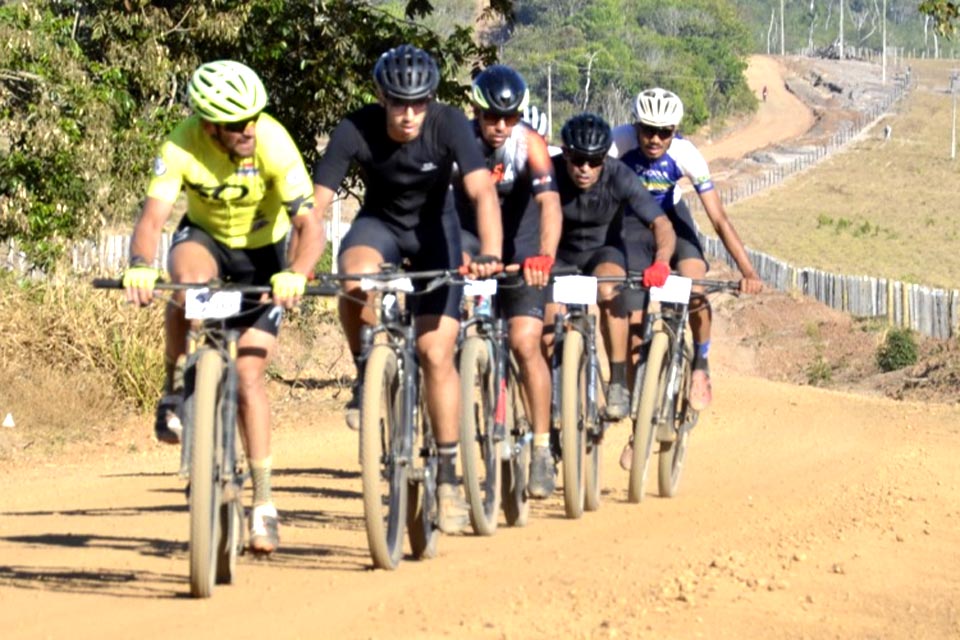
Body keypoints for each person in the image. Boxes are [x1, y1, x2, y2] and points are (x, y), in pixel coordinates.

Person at [122, 60, 324, 554]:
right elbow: (153, 217)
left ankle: (264, 502)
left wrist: (296, 272)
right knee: (184, 285)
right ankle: (173, 390)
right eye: (236, 124)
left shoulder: (273, 141)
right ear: (208, 125)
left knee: (250, 378)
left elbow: (309, 224)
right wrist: (138, 263)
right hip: (207, 240)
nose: (248, 129)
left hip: (264, 256)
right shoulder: (180, 144)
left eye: (254, 116)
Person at [311, 44, 503, 534]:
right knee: (352, 278)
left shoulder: (449, 123)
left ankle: (446, 476)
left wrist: (489, 255)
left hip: (437, 233)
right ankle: (364, 369)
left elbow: (481, 191)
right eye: (399, 102)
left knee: (435, 353)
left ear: (431, 100)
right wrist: (302, 262)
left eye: (419, 102)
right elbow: (316, 204)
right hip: (380, 226)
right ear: (382, 97)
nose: (410, 114)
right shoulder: (355, 127)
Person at [610, 87, 763, 468]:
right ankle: (638, 427)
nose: (655, 140)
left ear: (675, 130)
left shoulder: (686, 154)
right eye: (648, 130)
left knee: (693, 286)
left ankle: (701, 362)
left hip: (676, 226)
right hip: (634, 228)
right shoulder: (618, 143)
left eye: (664, 132)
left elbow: (719, 219)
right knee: (632, 325)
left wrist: (748, 271)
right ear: (636, 126)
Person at [451, 65, 562, 498]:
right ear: (475, 113)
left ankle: (539, 449)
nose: (501, 127)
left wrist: (545, 257)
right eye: (492, 118)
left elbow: (550, 204)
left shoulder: (529, 144)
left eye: (510, 117)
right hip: (470, 236)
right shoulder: (458, 141)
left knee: (524, 342)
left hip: (522, 243)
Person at [546, 113, 676, 421]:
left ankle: (618, 380)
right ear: (565, 153)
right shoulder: (548, 172)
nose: (585, 169)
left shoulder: (619, 175)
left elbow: (661, 223)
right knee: (549, 314)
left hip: (603, 252)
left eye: (594, 161)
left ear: (605, 157)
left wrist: (661, 262)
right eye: (577, 159)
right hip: (559, 253)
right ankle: (555, 388)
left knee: (609, 289)